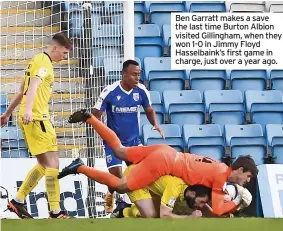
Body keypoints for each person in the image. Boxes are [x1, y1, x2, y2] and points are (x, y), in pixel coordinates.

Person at [58, 109, 256, 216]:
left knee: (120, 151)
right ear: (239, 169)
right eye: (247, 176)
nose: (247, 181)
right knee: (121, 186)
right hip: (164, 163)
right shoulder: (221, 177)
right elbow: (219, 209)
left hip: (167, 151)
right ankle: (80, 167)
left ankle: (90, 118)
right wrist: (237, 203)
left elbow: (210, 208)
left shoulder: (220, 167)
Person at [0, 33, 72, 219]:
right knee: (53, 163)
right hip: (37, 118)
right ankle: (55, 211)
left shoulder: (35, 60)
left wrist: (7, 113)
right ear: (54, 47)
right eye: (64, 53)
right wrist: (29, 110)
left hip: (33, 117)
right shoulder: (43, 62)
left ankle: (18, 200)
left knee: (44, 164)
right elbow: (32, 86)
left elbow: (21, 90)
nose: (64, 58)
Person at [92, 59, 164, 213]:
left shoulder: (141, 90)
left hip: (133, 143)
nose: (137, 78)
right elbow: (95, 115)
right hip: (114, 143)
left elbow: (149, 110)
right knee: (118, 178)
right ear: (124, 75)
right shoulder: (110, 91)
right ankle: (113, 196)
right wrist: (101, 131)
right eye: (134, 75)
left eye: (139, 75)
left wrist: (156, 124)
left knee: (139, 177)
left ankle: (131, 206)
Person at [111, 164, 211, 218]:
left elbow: (204, 207)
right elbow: (165, 215)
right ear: (192, 193)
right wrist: (190, 218)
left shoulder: (191, 190)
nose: (202, 205)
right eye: (202, 202)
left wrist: (219, 214)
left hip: (151, 185)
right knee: (152, 215)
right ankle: (125, 210)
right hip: (135, 178)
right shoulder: (175, 187)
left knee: (164, 211)